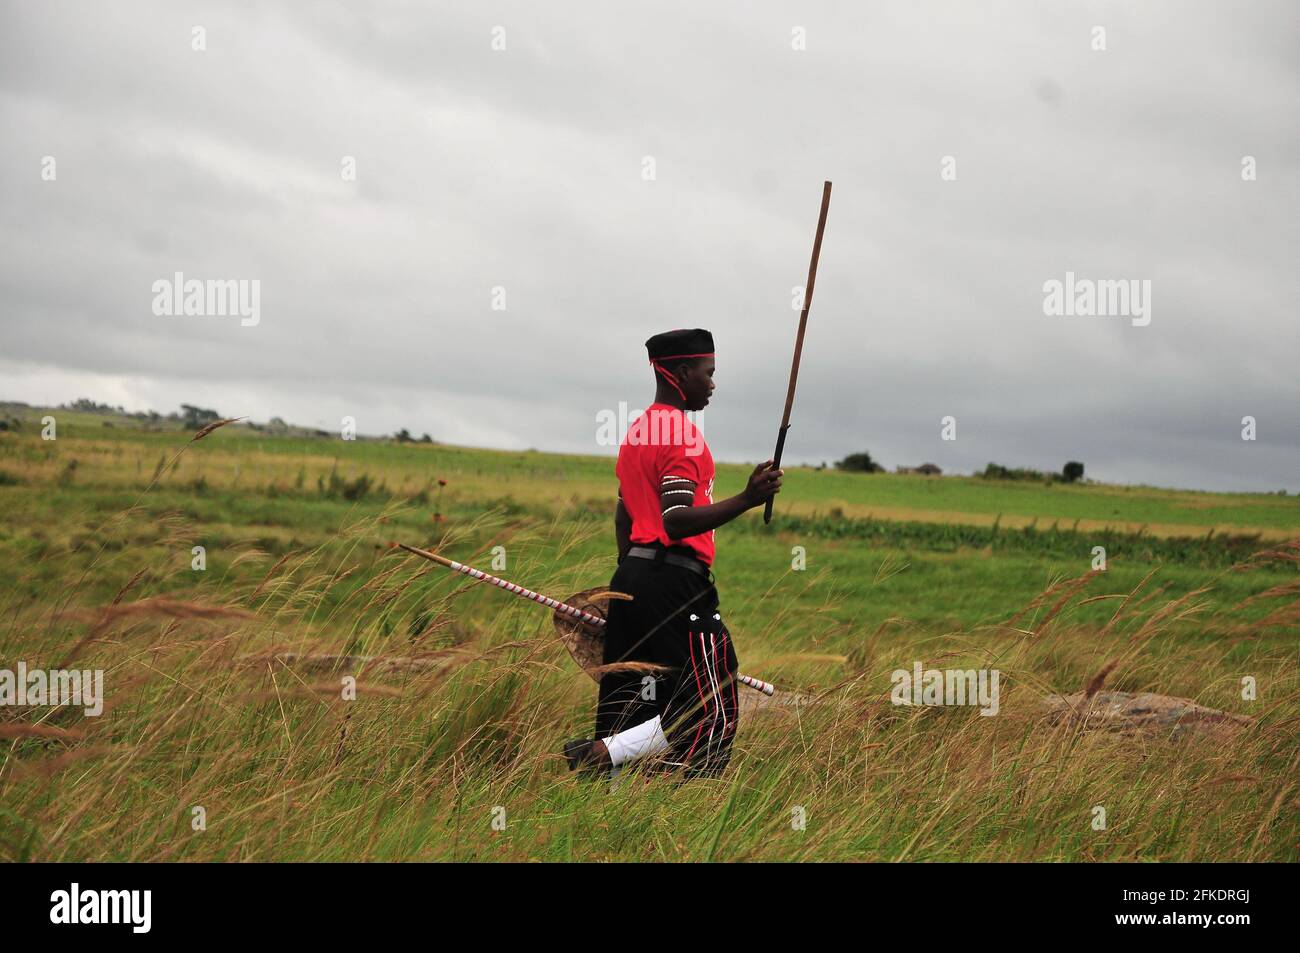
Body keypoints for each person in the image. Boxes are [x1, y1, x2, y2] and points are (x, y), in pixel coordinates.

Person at [563, 328, 782, 779]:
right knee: (711, 703)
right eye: (709, 372)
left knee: (635, 697)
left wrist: (633, 573)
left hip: (634, 578)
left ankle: (615, 793)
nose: (713, 384)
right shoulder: (682, 437)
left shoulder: (638, 432)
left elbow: (624, 514)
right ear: (682, 372)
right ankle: (604, 757)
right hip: (675, 585)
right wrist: (748, 497)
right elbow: (676, 518)